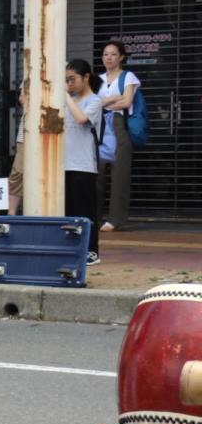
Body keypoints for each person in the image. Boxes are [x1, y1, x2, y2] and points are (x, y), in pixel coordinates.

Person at [95, 39, 139, 232]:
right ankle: (94, 217)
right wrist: (112, 99)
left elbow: (127, 101)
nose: (109, 58)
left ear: (121, 57)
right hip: (100, 127)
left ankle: (115, 220)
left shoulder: (128, 77)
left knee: (119, 175)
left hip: (120, 126)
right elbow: (93, 103)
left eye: (113, 54)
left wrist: (105, 102)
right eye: (106, 54)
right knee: (96, 174)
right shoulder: (97, 79)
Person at [65, 59, 104, 266]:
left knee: (85, 210)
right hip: (65, 163)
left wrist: (65, 96)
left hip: (84, 165)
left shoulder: (95, 101)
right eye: (66, 80)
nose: (69, 84)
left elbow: (81, 119)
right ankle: (73, 248)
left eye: (72, 79)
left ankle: (91, 251)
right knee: (69, 210)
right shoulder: (69, 99)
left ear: (86, 77)